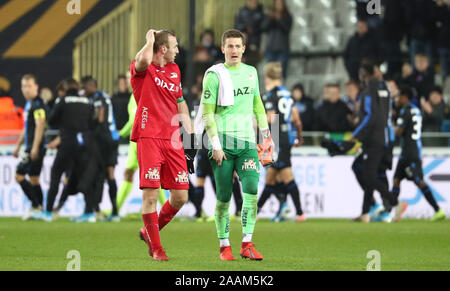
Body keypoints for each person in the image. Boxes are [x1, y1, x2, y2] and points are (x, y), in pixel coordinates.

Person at [196, 29, 273, 261]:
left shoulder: (251, 73)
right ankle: (224, 246)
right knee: (224, 196)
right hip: (223, 143)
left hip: (247, 142)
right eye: (229, 46)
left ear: (243, 49)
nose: (233, 50)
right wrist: (216, 145)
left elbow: (257, 104)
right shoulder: (214, 76)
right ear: (222, 49)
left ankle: (247, 244)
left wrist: (266, 137)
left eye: (237, 46)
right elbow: (208, 114)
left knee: (251, 190)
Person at [131, 29, 196, 261]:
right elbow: (144, 59)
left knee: (180, 196)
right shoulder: (142, 69)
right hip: (149, 137)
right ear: (163, 49)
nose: (178, 50)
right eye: (175, 46)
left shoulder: (175, 70)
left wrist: (190, 136)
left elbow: (180, 102)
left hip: (173, 139)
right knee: (150, 196)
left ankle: (148, 231)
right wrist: (149, 38)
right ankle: (157, 249)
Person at [40, 78, 98, 222]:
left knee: (56, 174)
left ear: (65, 88)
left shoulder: (62, 100)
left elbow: (52, 121)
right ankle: (89, 213)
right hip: (83, 146)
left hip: (66, 144)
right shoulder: (87, 101)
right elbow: (92, 122)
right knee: (85, 178)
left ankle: (48, 212)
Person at [258, 62, 306, 222]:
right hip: (285, 137)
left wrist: (251, 120)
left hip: (277, 137)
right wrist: (299, 136)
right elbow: (296, 119)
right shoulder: (287, 94)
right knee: (271, 177)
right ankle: (259, 212)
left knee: (286, 175)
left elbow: (271, 118)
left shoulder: (271, 95)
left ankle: (299, 212)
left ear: (267, 77)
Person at [350, 62, 397, 223]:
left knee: (371, 174)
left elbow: (371, 116)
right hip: (386, 136)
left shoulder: (370, 90)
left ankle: (390, 204)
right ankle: (369, 211)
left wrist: (356, 135)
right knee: (369, 171)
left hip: (375, 138)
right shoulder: (384, 88)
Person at [391, 85, 446, 222]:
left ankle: (438, 210)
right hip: (411, 150)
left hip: (410, 152)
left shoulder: (406, 111)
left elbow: (399, 132)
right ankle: (391, 209)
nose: (397, 99)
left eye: (399, 96)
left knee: (418, 181)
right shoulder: (416, 110)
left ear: (405, 97)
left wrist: (392, 124)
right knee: (396, 180)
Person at [116, 93, 167, 215]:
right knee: (128, 173)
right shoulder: (132, 96)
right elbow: (132, 120)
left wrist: (120, 134)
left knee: (152, 176)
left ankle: (166, 210)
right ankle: (115, 209)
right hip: (134, 142)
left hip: (146, 141)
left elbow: (137, 119)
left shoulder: (148, 93)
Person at [84, 77, 120, 222]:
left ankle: (96, 210)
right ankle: (115, 212)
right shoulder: (105, 95)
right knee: (110, 174)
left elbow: (99, 118)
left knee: (98, 174)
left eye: (85, 88)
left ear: (92, 86)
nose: (84, 92)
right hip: (112, 138)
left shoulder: (98, 97)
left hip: (104, 140)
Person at [13, 74, 47, 220]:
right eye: (23, 86)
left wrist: (34, 147)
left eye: (29, 86)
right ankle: (39, 208)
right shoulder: (29, 104)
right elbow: (26, 128)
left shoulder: (38, 104)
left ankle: (36, 206)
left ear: (36, 87)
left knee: (19, 176)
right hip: (31, 147)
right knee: (34, 179)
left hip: (35, 147)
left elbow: (41, 124)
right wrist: (18, 145)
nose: (26, 89)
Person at [261, 0, 292, 79]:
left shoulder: (288, 17)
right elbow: (263, 28)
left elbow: (286, 29)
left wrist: (279, 19)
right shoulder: (270, 17)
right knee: (270, 73)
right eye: (277, 4)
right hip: (270, 49)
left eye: (280, 4)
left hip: (282, 50)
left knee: (281, 73)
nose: (279, 6)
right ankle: (271, 90)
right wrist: (270, 19)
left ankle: (281, 90)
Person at [234, 0, 265, 66]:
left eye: (255, 1)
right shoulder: (241, 12)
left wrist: (254, 29)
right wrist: (245, 30)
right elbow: (237, 25)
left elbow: (264, 28)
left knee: (253, 64)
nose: (253, 3)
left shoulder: (261, 13)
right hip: (243, 43)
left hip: (255, 43)